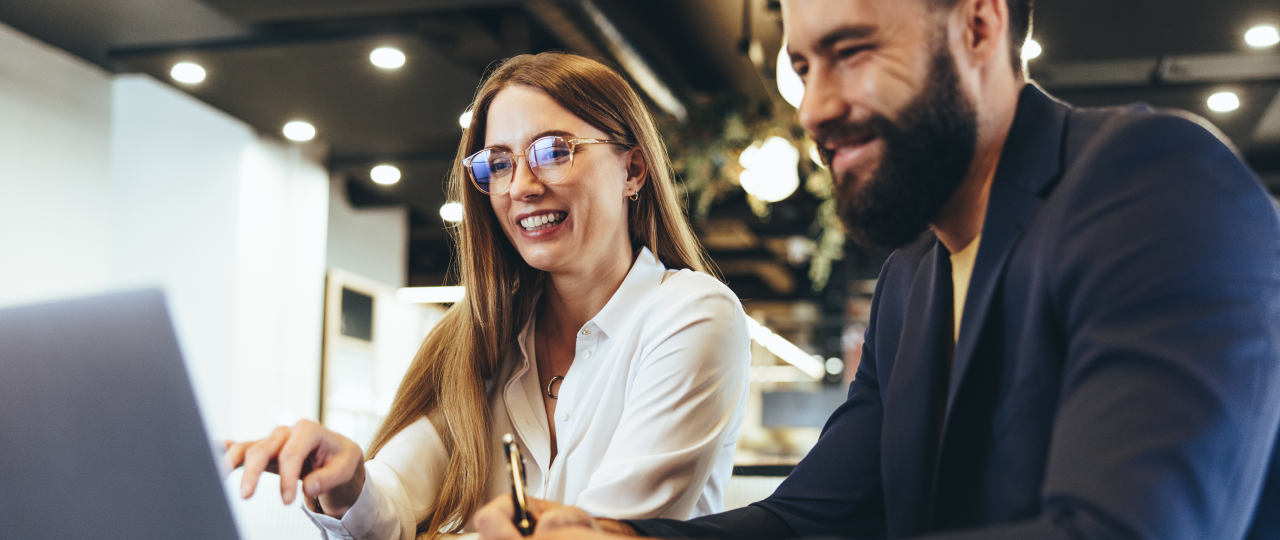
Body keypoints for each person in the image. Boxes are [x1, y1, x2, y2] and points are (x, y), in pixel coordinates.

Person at [472, 0, 1280, 538]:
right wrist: (615, 535)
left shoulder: (1155, 180)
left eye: (850, 51)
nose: (816, 108)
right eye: (801, 68)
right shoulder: (913, 276)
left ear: (978, 24)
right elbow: (815, 519)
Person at [222, 52, 753, 540]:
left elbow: (595, 534)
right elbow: (395, 497)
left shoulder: (693, 315)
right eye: (498, 163)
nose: (521, 185)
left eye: (553, 151)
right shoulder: (484, 337)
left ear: (632, 169)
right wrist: (347, 482)